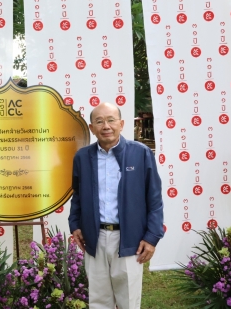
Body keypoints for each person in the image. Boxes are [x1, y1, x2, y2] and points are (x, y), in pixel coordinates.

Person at [68, 102, 164, 309]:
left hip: (130, 239)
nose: (106, 126)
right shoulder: (82, 157)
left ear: (121, 124)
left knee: (128, 300)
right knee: (98, 300)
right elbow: (77, 195)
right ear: (92, 128)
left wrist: (152, 237)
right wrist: (74, 224)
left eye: (111, 120)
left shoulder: (140, 153)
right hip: (95, 238)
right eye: (99, 121)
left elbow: (154, 199)